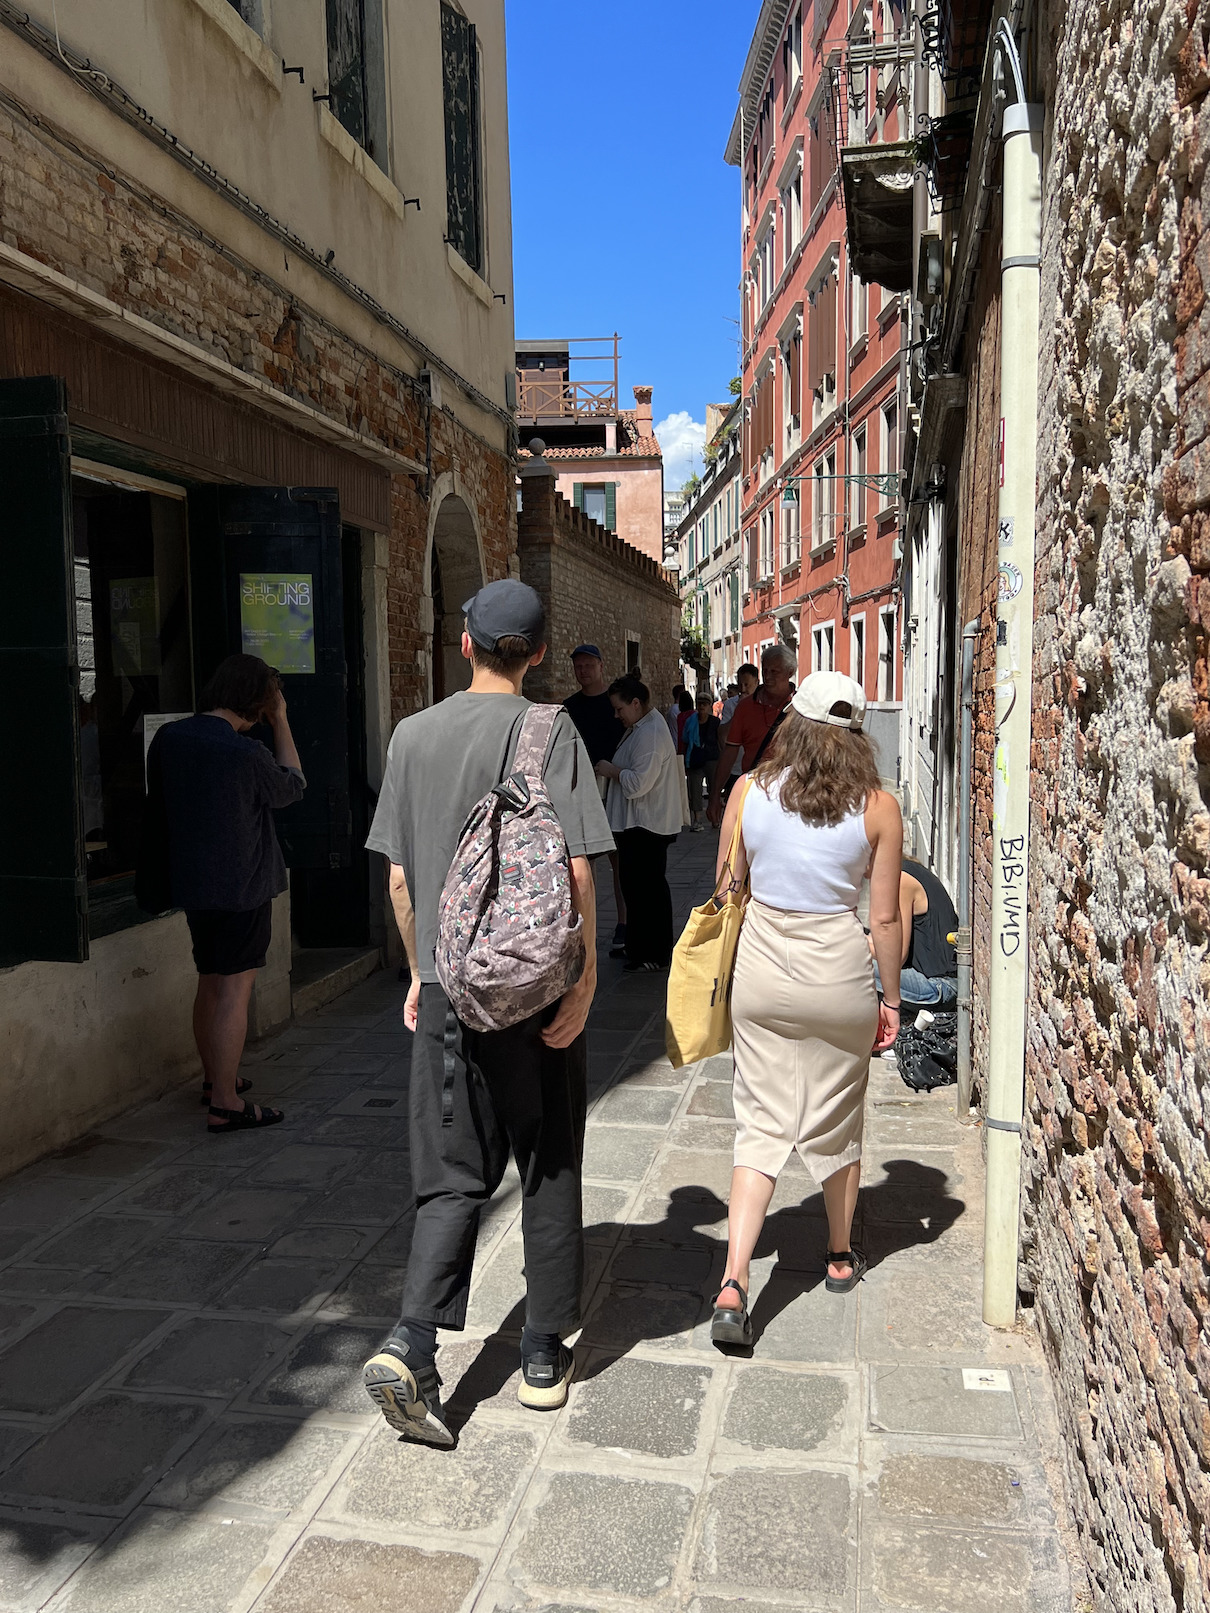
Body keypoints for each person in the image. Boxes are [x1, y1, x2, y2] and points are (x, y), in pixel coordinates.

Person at [361, 579, 613, 1446]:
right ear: (538, 653)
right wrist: (583, 980)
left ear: (464, 643)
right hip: (534, 991)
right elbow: (578, 873)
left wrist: (422, 970)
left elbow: (400, 881)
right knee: (546, 1154)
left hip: (447, 988)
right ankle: (541, 1353)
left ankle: (413, 1342)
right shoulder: (551, 730)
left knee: (450, 1170)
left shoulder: (411, 736)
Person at [709, 670, 902, 1348]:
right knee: (838, 1114)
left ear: (791, 722)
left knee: (758, 1120)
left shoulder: (748, 792)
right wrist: (891, 997)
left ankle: (734, 1282)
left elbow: (726, 889)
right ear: (857, 735)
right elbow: (884, 920)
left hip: (761, 971)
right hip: (837, 975)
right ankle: (840, 1255)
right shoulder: (879, 807)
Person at [137, 654, 304, 1134]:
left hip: (192, 883)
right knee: (234, 990)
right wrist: (282, 720)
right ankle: (226, 1103)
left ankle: (215, 1080)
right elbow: (293, 786)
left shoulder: (170, 739)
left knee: (209, 982)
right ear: (256, 700)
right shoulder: (246, 753)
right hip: (243, 886)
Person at [594, 673, 683, 972]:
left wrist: (611, 771)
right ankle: (638, 946)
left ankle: (652, 953)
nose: (616, 715)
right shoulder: (642, 727)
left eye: (619, 709)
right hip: (639, 824)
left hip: (647, 825)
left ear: (635, 703)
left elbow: (638, 784)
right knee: (635, 887)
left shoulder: (650, 734)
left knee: (647, 890)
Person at [562, 643, 628, 949]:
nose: (583, 671)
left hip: (614, 787)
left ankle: (623, 923)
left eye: (589, 665)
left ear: (601, 666)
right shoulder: (569, 707)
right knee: (583, 861)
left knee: (620, 861)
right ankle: (585, 926)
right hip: (583, 791)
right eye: (578, 667)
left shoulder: (614, 704)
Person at [707, 645, 795, 825]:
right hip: (755, 793)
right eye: (765, 670)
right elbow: (729, 752)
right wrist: (715, 795)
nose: (768, 677)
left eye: (774, 671)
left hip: (791, 796)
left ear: (790, 672)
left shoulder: (802, 707)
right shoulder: (745, 707)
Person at [873, 858, 959, 1007]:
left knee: (851, 963)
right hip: (936, 980)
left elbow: (895, 957)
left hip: (940, 986)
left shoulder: (901, 880)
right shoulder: (908, 870)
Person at [683, 692, 721, 832]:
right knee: (695, 790)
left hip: (712, 758)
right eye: (700, 704)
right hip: (695, 758)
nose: (702, 707)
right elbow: (685, 739)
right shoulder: (690, 722)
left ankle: (715, 818)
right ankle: (697, 820)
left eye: (705, 704)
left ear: (710, 706)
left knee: (714, 790)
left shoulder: (715, 722)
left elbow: (719, 740)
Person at [718, 667, 757, 802]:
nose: (743, 689)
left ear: (756, 683)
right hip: (735, 768)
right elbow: (722, 736)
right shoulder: (730, 705)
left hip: (756, 768)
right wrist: (739, 711)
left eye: (747, 685)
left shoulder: (763, 704)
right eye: (740, 685)